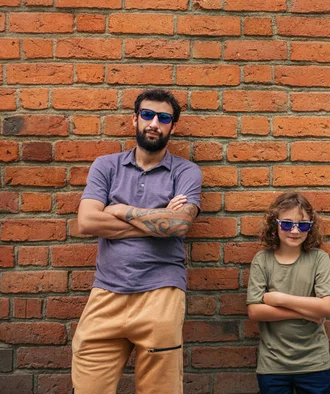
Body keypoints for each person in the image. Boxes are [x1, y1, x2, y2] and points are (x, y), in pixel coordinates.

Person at [72, 89, 202, 394]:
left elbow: (180, 223)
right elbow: (87, 221)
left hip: (161, 294)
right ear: (135, 119)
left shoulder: (186, 172)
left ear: (173, 126)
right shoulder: (106, 166)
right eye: (147, 115)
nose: (154, 122)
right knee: (88, 386)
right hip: (106, 293)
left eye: (163, 117)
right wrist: (158, 221)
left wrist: (118, 210)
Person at [246, 192, 330, 394]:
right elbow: (254, 311)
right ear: (274, 224)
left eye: (302, 225)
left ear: (310, 227)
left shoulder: (318, 259)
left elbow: (327, 307)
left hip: (314, 362)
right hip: (273, 364)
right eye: (287, 224)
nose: (295, 230)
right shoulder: (262, 260)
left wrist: (279, 299)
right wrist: (307, 313)